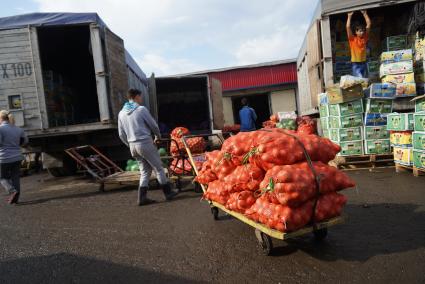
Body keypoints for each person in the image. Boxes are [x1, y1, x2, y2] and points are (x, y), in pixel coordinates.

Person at [118, 89, 178, 206]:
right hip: (144, 142)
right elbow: (153, 125)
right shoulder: (141, 109)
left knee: (145, 171)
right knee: (159, 168)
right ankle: (168, 193)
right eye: (140, 97)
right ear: (136, 97)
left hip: (132, 146)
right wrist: (158, 136)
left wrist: (129, 144)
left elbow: (121, 134)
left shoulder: (121, 113)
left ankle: (142, 198)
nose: (141, 99)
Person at [0, 110, 28, 204]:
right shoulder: (18, 129)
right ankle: (16, 198)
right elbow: (25, 142)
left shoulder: (1, 129)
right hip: (17, 157)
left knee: (2, 177)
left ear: (0, 118)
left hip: (4, 158)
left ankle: (12, 191)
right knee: (15, 177)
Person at [346, 10, 371, 78]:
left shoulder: (364, 38)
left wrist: (365, 14)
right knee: (360, 79)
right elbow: (348, 27)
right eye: (360, 31)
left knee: (365, 81)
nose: (362, 32)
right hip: (355, 64)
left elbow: (368, 25)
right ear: (356, 32)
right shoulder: (352, 39)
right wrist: (349, 16)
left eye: (363, 31)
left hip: (364, 63)